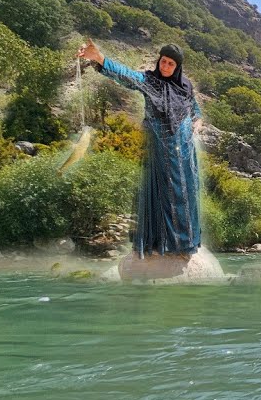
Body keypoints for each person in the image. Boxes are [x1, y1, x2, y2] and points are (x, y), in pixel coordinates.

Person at [77, 39, 203, 258]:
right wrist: (99, 58)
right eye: (163, 61)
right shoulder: (149, 81)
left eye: (170, 64)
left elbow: (194, 107)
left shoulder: (185, 86)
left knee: (186, 194)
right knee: (164, 195)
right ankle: (163, 244)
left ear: (177, 68)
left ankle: (185, 244)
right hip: (161, 149)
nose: (165, 67)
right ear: (159, 61)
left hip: (184, 149)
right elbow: (127, 75)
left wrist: (198, 121)